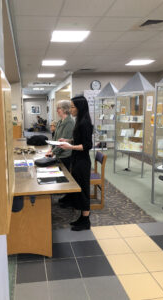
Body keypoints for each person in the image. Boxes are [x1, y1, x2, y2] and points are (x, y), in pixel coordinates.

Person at [59, 95, 93, 231]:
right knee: (79, 189)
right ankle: (82, 217)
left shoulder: (85, 123)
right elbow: (79, 140)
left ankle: (86, 221)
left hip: (83, 162)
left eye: (73, 107)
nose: (71, 109)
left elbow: (87, 145)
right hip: (77, 160)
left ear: (80, 107)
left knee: (84, 190)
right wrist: (68, 140)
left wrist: (70, 147)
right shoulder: (79, 121)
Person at [45, 100, 74, 171]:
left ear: (65, 109)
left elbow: (63, 141)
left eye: (59, 108)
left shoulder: (69, 122)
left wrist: (53, 152)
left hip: (65, 155)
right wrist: (51, 149)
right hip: (58, 154)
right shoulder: (60, 121)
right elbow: (55, 138)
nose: (57, 110)